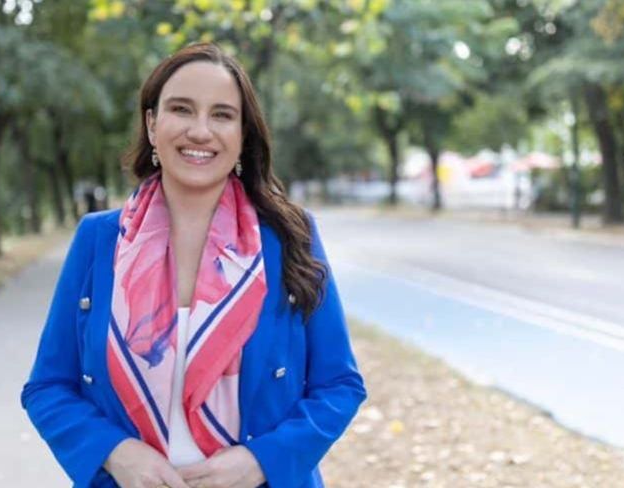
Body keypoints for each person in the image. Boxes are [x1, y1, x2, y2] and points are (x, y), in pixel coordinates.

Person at [21, 42, 366, 488]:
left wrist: (261, 460)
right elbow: (48, 387)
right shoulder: (99, 240)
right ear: (152, 124)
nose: (200, 131)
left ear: (242, 135)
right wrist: (116, 453)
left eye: (222, 115)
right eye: (181, 109)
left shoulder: (288, 237)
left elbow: (339, 386)